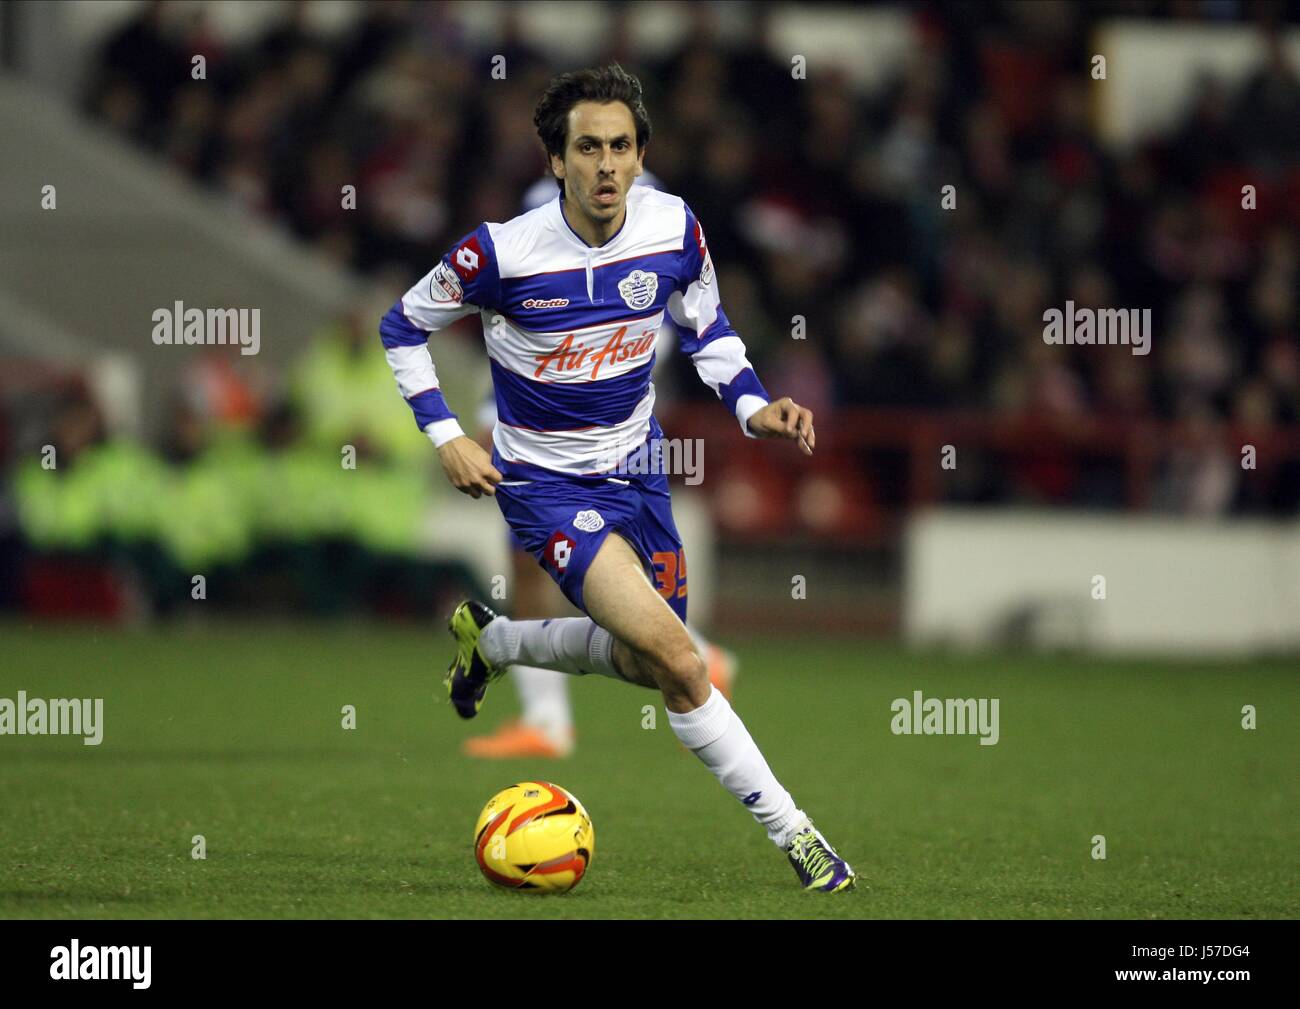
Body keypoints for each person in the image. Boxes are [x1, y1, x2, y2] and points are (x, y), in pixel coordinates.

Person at [379, 64, 853, 892]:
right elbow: (401, 326)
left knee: (653, 667)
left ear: (642, 157)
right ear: (555, 162)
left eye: (621, 147)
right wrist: (447, 434)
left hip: (640, 471)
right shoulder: (501, 251)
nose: (605, 164)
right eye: (587, 148)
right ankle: (802, 839)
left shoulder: (674, 230)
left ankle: (490, 641)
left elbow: (707, 329)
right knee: (684, 658)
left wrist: (755, 407)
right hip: (545, 486)